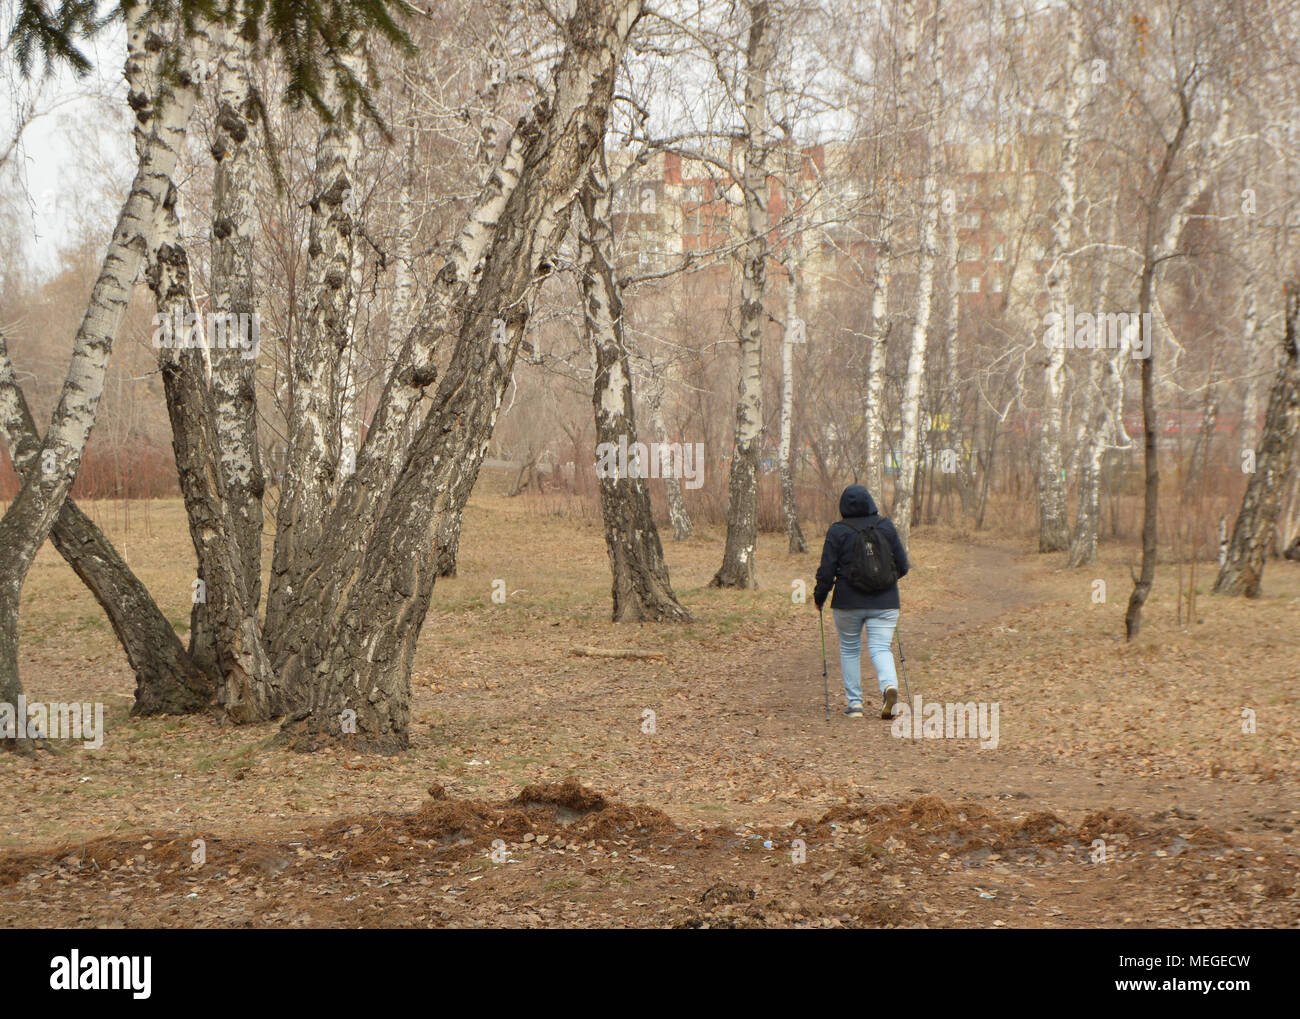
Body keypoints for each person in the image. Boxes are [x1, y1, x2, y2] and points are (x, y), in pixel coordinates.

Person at [813, 484, 910, 719]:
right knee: (880, 648)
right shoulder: (885, 526)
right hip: (886, 601)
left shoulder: (837, 531)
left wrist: (819, 596)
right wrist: (885, 582)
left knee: (849, 649)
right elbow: (903, 565)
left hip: (847, 601)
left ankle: (855, 704)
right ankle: (889, 687)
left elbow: (827, 571)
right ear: (870, 502)